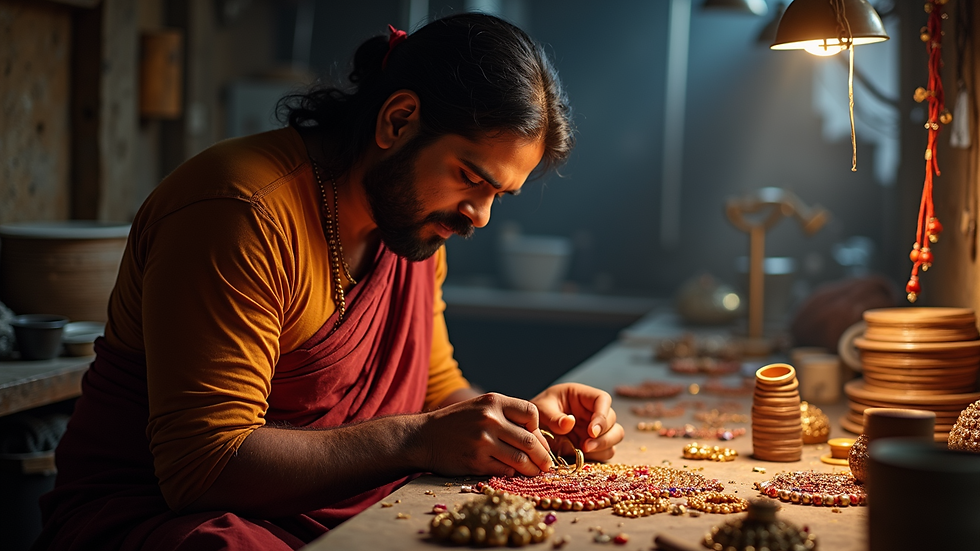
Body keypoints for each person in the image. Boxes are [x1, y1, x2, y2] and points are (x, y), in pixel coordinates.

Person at [34, 13, 624, 551]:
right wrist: (416, 441)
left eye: (499, 194)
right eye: (470, 177)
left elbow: (436, 391)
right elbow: (202, 468)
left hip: (345, 509)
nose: (480, 216)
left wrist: (525, 428)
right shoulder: (241, 212)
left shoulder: (412, 227)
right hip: (167, 520)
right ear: (398, 121)